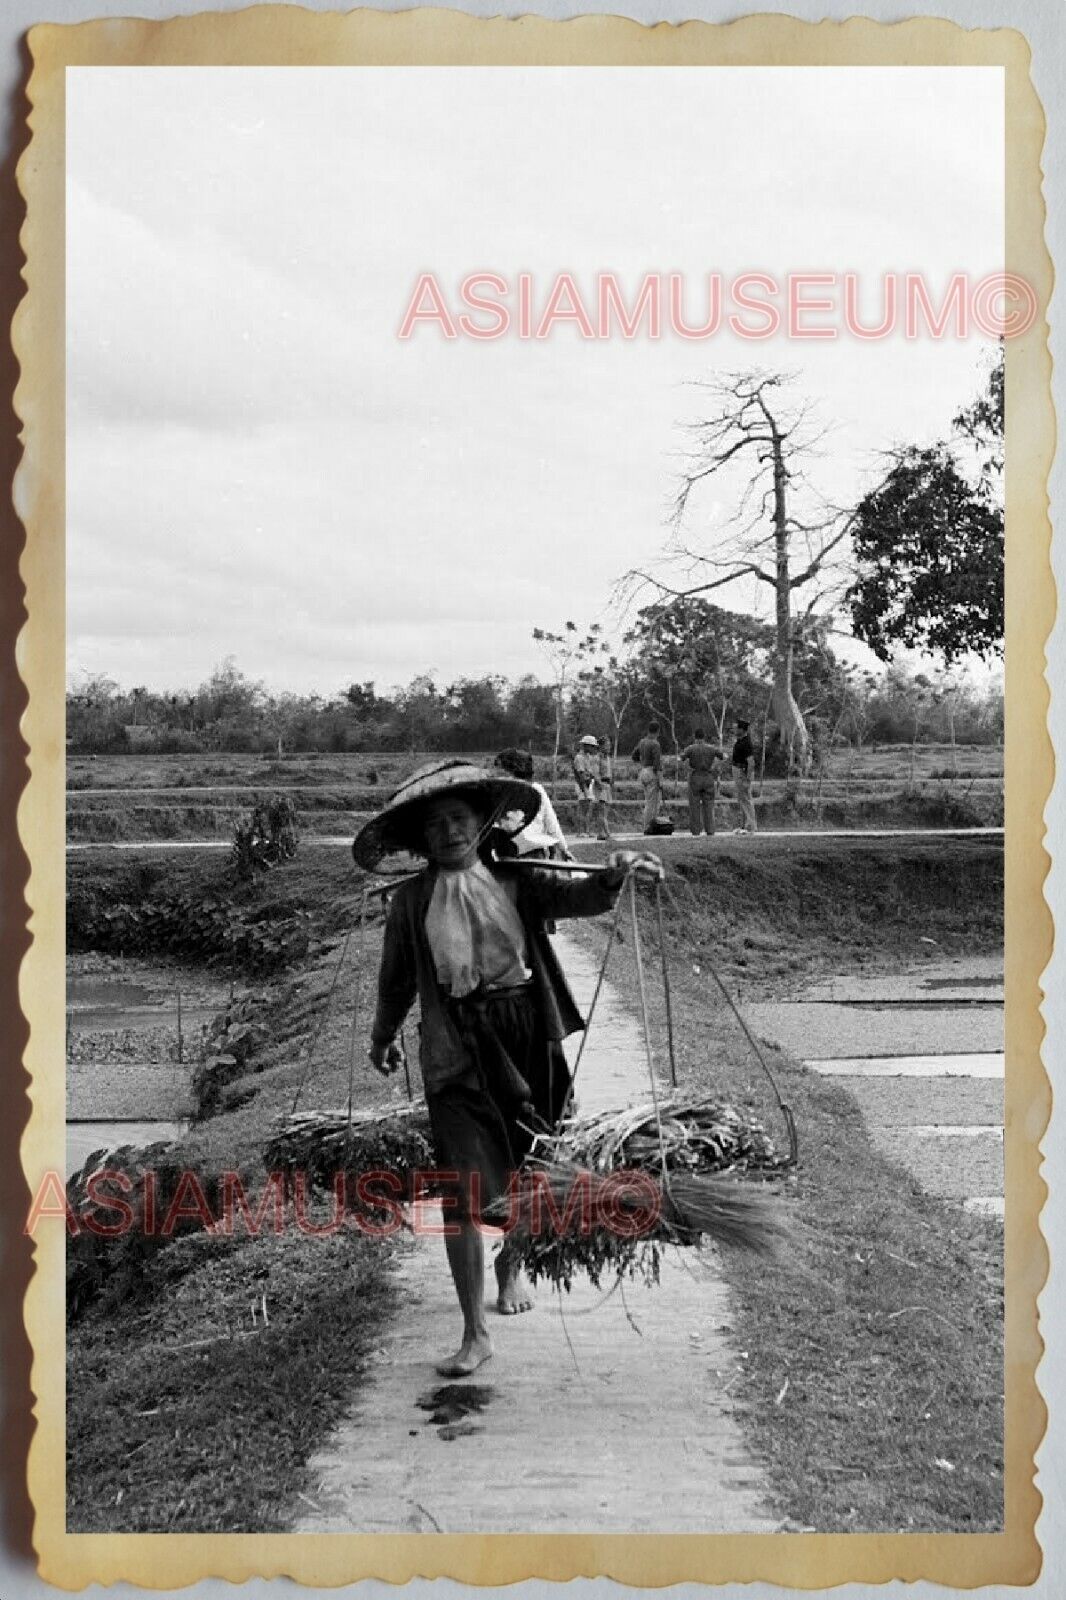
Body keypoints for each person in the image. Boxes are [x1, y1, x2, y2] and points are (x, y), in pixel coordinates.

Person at [354, 759, 663, 1379]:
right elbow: (396, 981)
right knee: (462, 1190)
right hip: (456, 1047)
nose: (449, 832)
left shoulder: (518, 879)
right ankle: (473, 1331)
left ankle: (511, 1261)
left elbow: (582, 896)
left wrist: (617, 873)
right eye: (435, 825)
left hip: (527, 1033)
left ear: (483, 821)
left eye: (459, 819)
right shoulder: (412, 901)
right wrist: (383, 1035)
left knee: (533, 1165)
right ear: (419, 839)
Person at [494, 749, 571, 860]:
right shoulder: (537, 789)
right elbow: (552, 823)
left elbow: (551, 822)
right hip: (533, 852)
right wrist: (564, 849)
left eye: (499, 770)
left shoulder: (501, 791)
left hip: (512, 854)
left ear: (511, 770)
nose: (495, 774)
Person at [681, 728, 723, 836]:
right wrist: (715, 767)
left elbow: (680, 758)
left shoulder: (691, 748)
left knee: (694, 805)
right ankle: (710, 830)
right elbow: (724, 757)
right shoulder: (712, 748)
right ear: (704, 737)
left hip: (695, 776)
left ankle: (696, 831)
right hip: (708, 776)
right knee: (709, 804)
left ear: (695, 737)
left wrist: (687, 768)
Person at [631, 720, 663, 833]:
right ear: (657, 731)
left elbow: (634, 756)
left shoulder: (642, 742)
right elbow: (657, 764)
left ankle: (648, 825)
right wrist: (660, 780)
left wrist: (641, 764)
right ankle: (648, 826)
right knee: (653, 802)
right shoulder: (655, 744)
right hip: (651, 772)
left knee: (648, 800)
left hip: (643, 770)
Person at [731, 717, 758, 833]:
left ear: (742, 729)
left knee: (746, 799)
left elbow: (751, 762)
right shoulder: (740, 741)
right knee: (741, 799)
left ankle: (752, 826)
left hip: (742, 772)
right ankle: (744, 826)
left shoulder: (746, 743)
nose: (734, 730)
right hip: (737, 771)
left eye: (736, 728)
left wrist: (747, 778)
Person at [571, 734, 599, 836]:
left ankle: (587, 830)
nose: (593, 749)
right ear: (586, 746)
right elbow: (580, 774)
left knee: (589, 807)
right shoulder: (579, 758)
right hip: (582, 784)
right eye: (592, 746)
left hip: (588, 783)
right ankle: (580, 831)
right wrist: (584, 788)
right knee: (582, 807)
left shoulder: (587, 757)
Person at [591, 737, 614, 841]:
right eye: (606, 745)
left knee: (605, 810)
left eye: (609, 745)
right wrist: (600, 784)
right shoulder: (597, 758)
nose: (609, 747)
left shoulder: (608, 758)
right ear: (600, 746)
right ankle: (607, 833)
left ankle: (601, 833)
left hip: (608, 784)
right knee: (602, 810)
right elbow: (595, 773)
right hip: (601, 784)